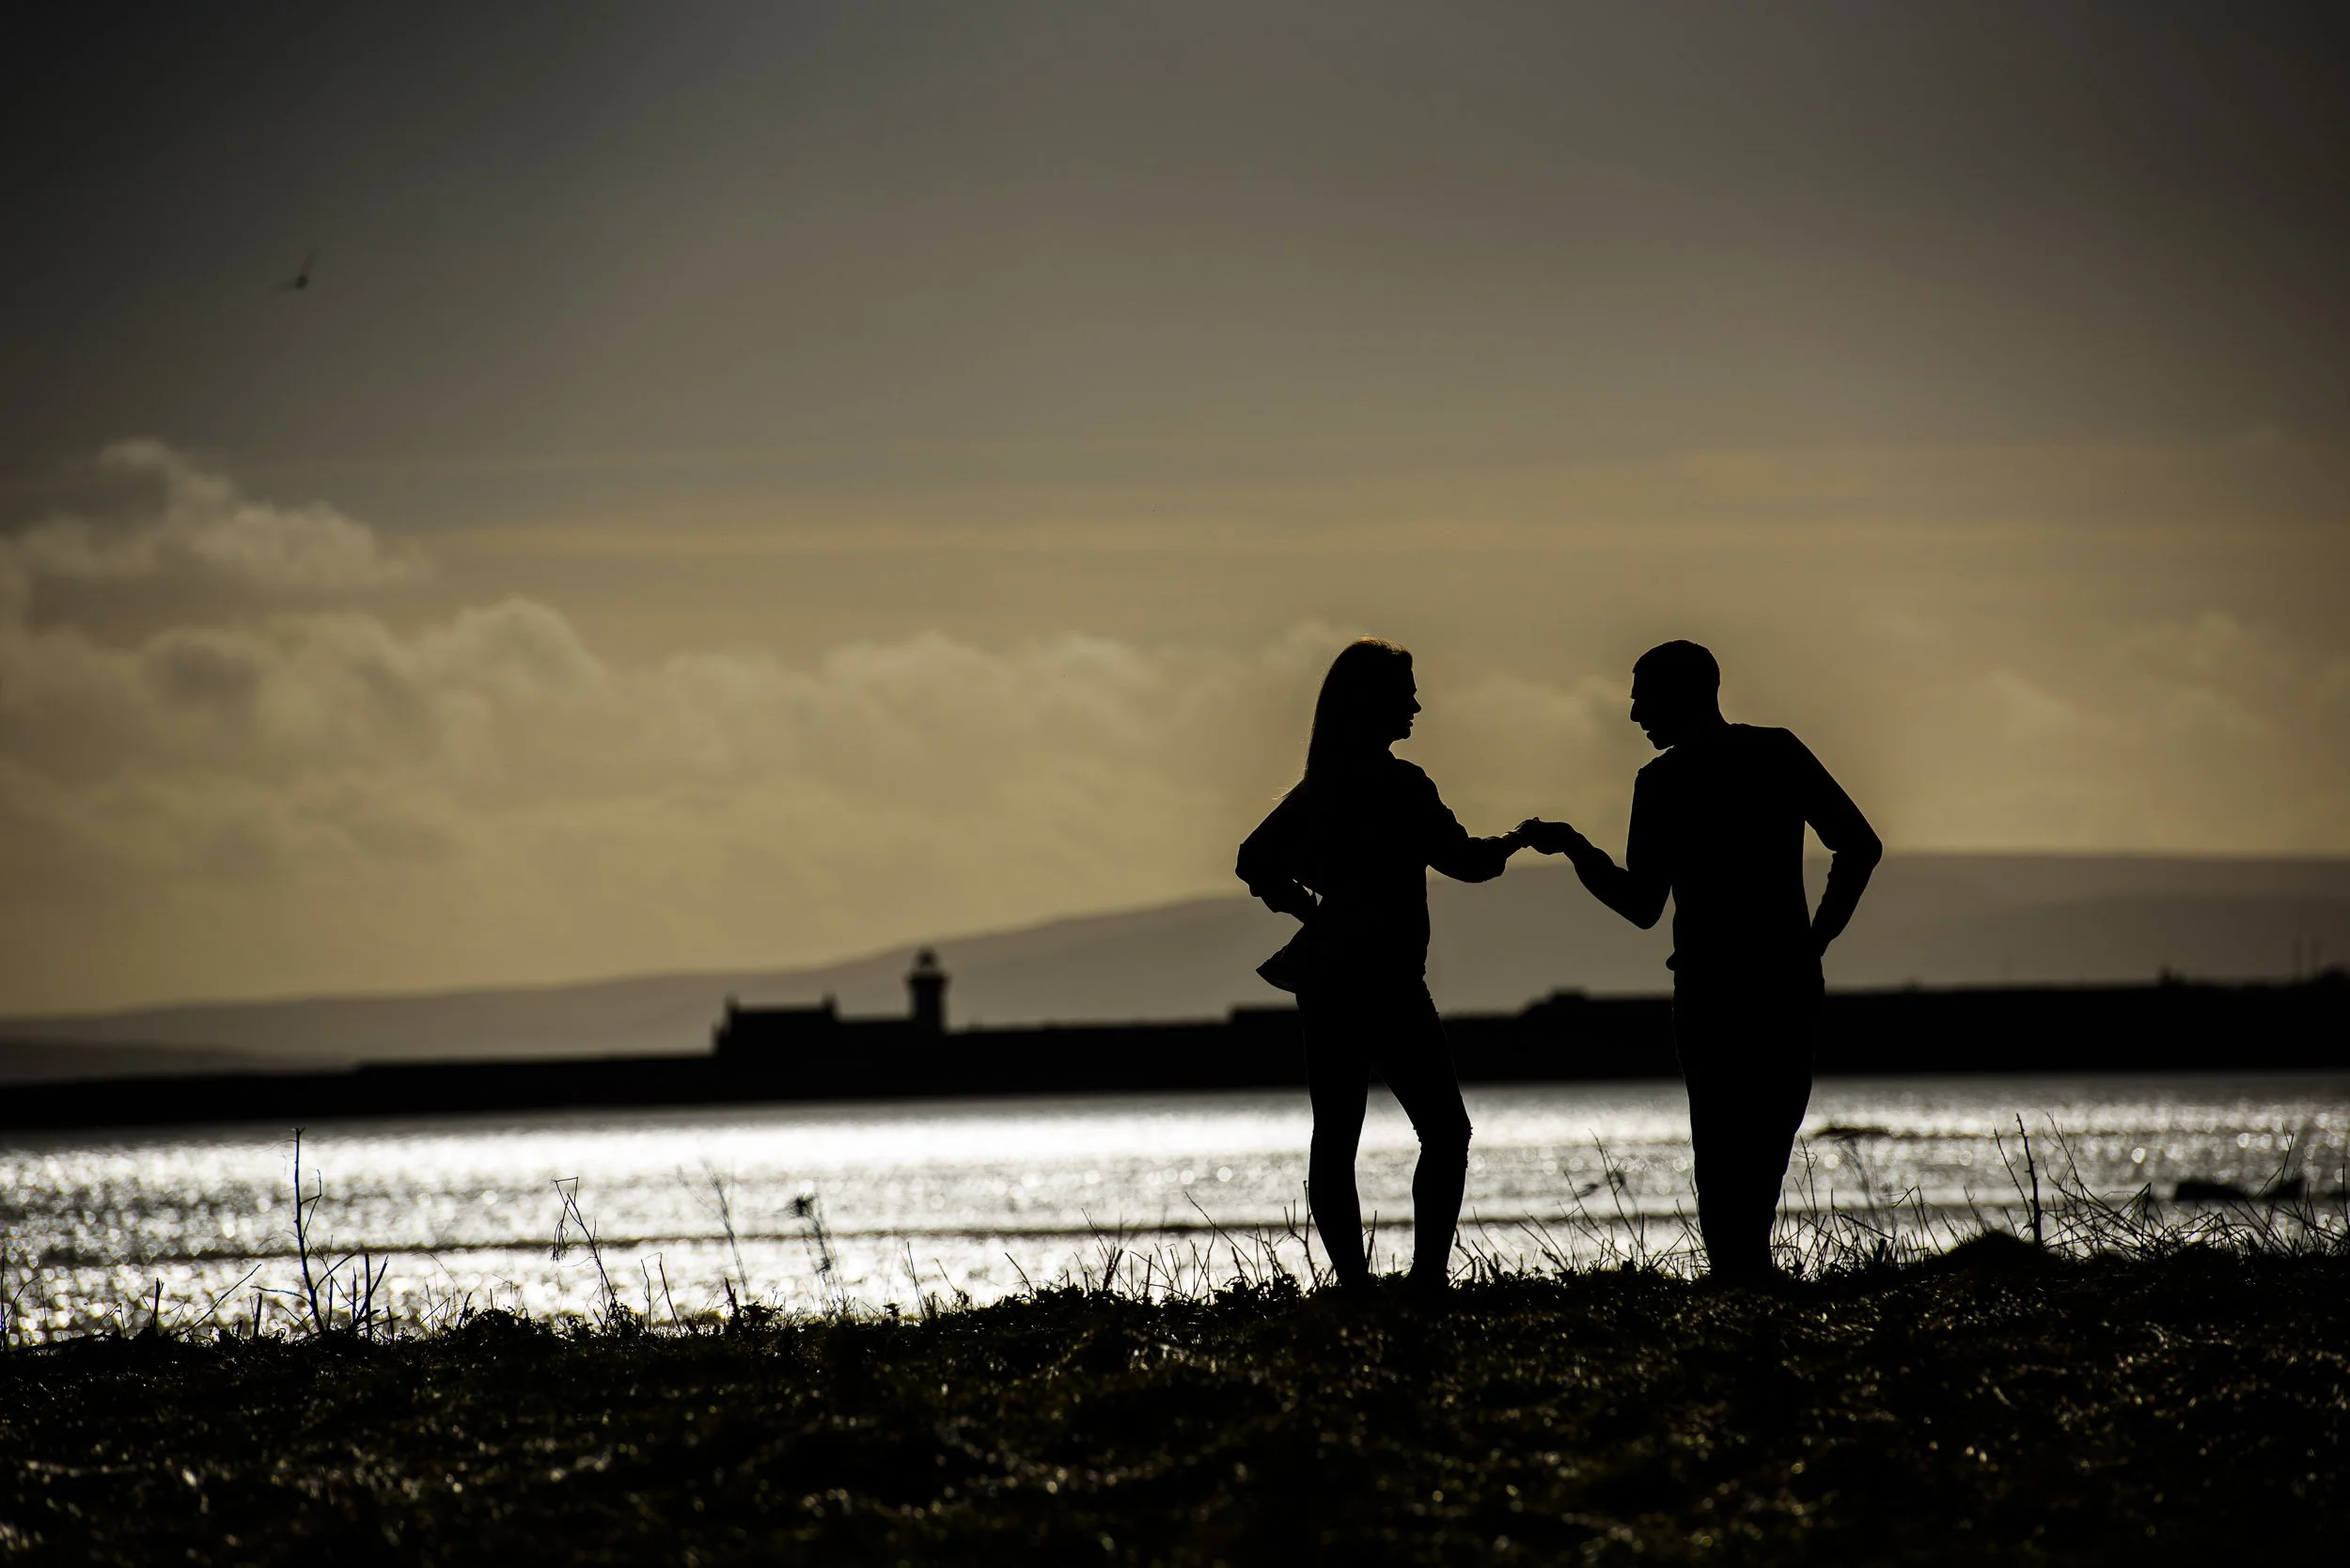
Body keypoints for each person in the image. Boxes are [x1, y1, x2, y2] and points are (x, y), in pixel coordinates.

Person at [1519, 641, 1880, 1282]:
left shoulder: (1664, 782)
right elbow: (1859, 847)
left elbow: (1639, 904)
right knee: (1765, 1134)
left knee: (1720, 1141)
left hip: (1714, 987)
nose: (1633, 714)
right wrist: (1814, 940)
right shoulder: (1774, 753)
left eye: (1642, 697)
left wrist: (1576, 850)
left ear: (1682, 694)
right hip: (1778, 979)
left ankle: (1737, 1275)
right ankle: (1745, 1273)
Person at [1237, 638, 1528, 1296]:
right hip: (1386, 981)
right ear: (1373, 702)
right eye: (1407, 693)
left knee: (1337, 1136)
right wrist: (1520, 840)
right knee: (1445, 1131)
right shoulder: (1400, 784)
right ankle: (1425, 1281)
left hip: (1329, 977)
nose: (1418, 705)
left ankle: (1356, 1285)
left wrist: (1308, 911)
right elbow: (1468, 862)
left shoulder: (1322, 789)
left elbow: (1253, 858)